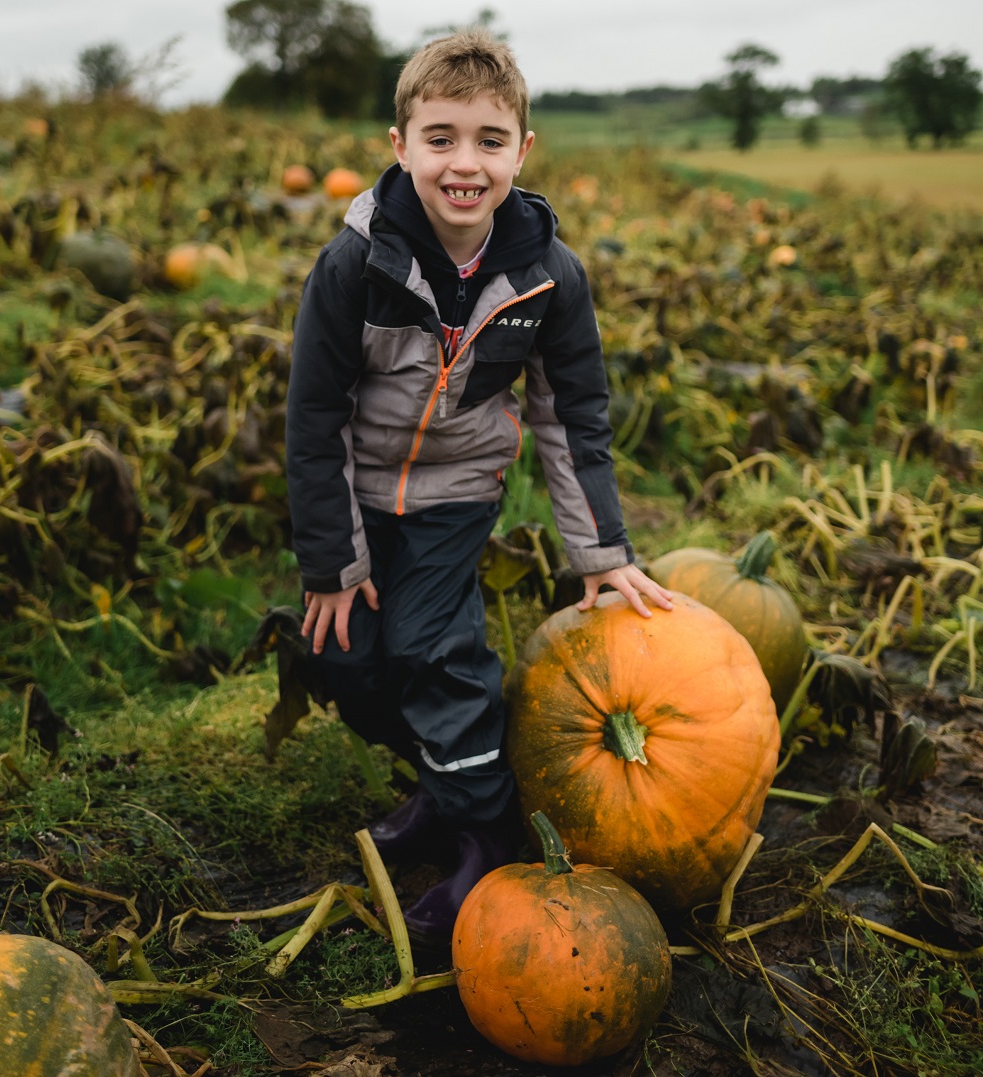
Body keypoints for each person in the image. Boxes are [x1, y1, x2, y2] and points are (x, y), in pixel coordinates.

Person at [285, 28, 673, 948]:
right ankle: (439, 779)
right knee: (346, 655)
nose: (465, 163)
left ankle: (486, 831)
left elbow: (571, 416)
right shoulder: (355, 265)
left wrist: (599, 554)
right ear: (400, 145)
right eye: (442, 138)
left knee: (432, 650)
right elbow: (314, 420)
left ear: (523, 151)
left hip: (458, 492)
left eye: (489, 141)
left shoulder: (547, 276)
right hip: (360, 493)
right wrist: (334, 561)